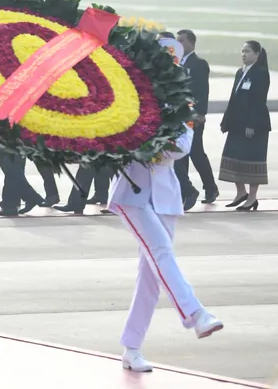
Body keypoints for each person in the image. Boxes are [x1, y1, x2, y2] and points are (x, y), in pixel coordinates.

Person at [107, 38, 223, 372]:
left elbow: (182, 146)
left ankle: (131, 347)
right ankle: (196, 314)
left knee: (151, 276)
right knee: (161, 252)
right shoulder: (131, 95)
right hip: (132, 192)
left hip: (166, 195)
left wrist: (153, 141)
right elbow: (121, 136)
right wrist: (148, 138)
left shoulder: (183, 102)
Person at [219, 40, 270, 211]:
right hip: (237, 123)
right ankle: (241, 192)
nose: (243, 54)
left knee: (252, 160)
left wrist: (251, 124)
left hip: (254, 125)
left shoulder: (261, 73)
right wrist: (226, 121)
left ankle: (252, 197)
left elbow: (258, 101)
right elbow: (233, 99)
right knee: (233, 157)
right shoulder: (240, 72)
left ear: (257, 54)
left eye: (247, 51)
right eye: (242, 51)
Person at [175, 29, 218, 209]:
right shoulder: (177, 62)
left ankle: (210, 188)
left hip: (194, 116)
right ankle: (185, 192)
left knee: (196, 152)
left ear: (191, 43)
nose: (179, 44)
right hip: (179, 115)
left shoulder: (199, 63)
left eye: (182, 41)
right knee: (181, 153)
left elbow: (202, 90)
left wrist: (201, 113)